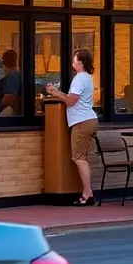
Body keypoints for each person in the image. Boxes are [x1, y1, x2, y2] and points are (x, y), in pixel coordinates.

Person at [44, 49, 99, 206]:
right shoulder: (87, 78)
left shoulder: (79, 78)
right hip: (89, 119)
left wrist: (56, 93)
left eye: (74, 59)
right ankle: (87, 193)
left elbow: (71, 101)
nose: (73, 62)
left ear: (80, 62)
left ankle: (87, 194)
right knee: (82, 157)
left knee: (79, 158)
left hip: (81, 121)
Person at [0, 50, 23, 116]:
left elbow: (9, 97)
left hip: (11, 113)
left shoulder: (13, 75)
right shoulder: (14, 74)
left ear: (4, 62)